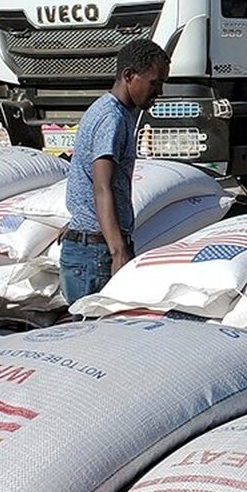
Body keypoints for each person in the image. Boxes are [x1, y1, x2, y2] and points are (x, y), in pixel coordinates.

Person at [61, 38, 170, 307]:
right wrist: (118, 252)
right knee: (94, 341)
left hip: (92, 246)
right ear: (129, 76)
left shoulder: (113, 111)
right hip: (96, 255)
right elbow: (102, 186)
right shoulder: (112, 118)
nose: (160, 91)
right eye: (155, 83)